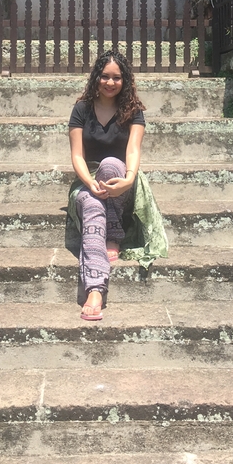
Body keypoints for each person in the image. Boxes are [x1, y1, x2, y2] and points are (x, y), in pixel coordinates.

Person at [67, 50, 168, 321]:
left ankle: (112, 232)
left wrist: (129, 179)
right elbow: (77, 156)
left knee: (112, 163)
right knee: (91, 203)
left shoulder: (133, 112)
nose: (110, 83)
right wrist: (89, 182)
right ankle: (95, 289)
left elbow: (133, 150)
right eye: (105, 76)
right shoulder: (81, 110)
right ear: (96, 77)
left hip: (123, 182)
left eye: (116, 78)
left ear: (125, 81)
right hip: (88, 181)